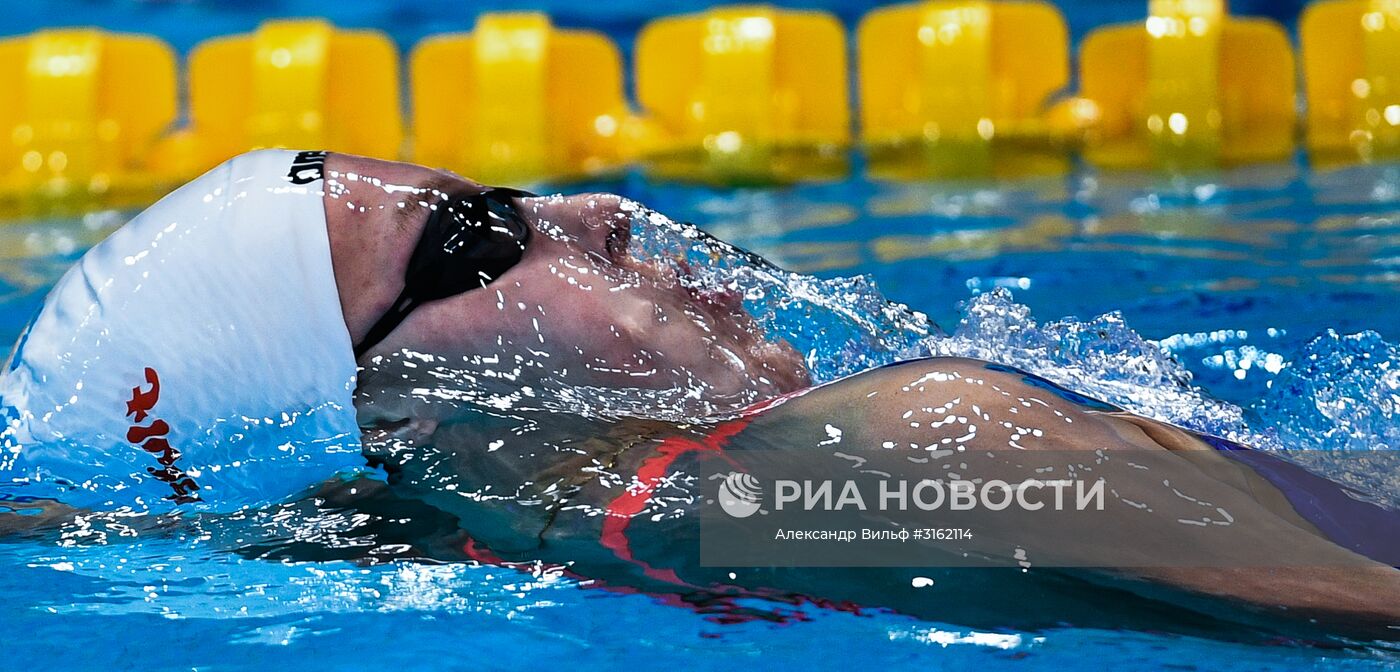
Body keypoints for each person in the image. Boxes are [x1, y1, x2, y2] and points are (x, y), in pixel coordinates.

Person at [1, 151, 1396, 636]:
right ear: (387, 425)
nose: (594, 211)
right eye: (479, 237)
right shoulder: (885, 454)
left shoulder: (670, 540)